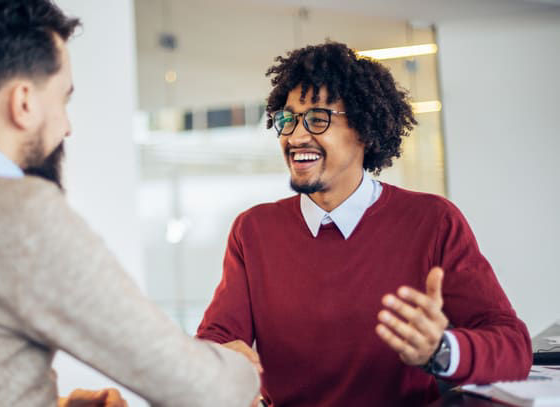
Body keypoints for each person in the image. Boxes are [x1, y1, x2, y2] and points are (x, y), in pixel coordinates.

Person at [0, 1, 260, 406]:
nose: (67, 126)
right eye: (63, 98)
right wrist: (240, 367)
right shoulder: (17, 213)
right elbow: (202, 390)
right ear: (23, 102)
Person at [196, 41, 532, 406]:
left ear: (364, 128)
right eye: (287, 119)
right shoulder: (253, 230)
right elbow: (217, 337)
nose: (295, 136)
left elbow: (513, 347)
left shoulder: (433, 221)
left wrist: (441, 349)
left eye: (317, 118)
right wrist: (222, 358)